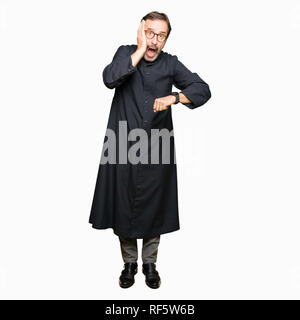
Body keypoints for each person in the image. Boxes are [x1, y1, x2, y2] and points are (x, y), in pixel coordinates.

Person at [89, 11, 211, 289]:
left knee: (156, 205)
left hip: (157, 146)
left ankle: (150, 263)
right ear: (140, 32)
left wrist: (175, 97)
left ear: (166, 39)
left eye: (160, 35)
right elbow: (110, 78)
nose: (154, 40)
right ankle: (129, 263)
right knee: (123, 204)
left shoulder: (171, 63)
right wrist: (139, 49)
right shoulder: (125, 53)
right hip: (122, 145)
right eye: (149, 33)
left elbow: (202, 89)